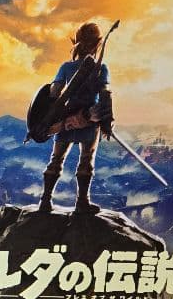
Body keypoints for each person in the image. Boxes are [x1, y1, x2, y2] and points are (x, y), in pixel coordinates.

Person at [38, 22, 115, 215]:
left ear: (77, 43)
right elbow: (105, 95)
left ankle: (45, 201)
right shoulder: (101, 68)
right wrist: (107, 121)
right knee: (86, 160)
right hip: (89, 121)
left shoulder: (66, 67)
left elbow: (54, 92)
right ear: (97, 44)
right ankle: (82, 203)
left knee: (56, 159)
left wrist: (53, 115)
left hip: (66, 120)